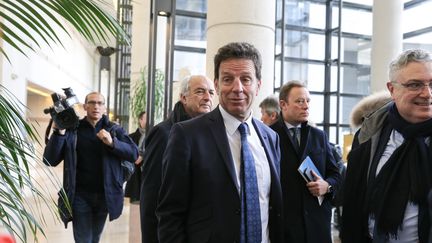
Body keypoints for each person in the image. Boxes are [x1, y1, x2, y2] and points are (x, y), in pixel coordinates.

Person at [157, 42, 284, 243]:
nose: (237, 88)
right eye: (227, 79)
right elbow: (170, 213)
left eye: (246, 79)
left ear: (258, 85)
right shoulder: (187, 135)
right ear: (216, 85)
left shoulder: (271, 138)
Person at [341, 49, 432, 243]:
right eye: (415, 85)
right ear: (392, 90)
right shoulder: (369, 134)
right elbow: (352, 201)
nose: (427, 93)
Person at [43, 92, 139, 243]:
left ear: (105, 108)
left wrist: (112, 143)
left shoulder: (114, 130)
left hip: (105, 196)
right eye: (92, 103)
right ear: (85, 106)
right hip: (79, 196)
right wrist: (59, 130)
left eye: (100, 103)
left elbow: (134, 154)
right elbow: (50, 160)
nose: (96, 106)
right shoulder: (73, 129)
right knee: (84, 240)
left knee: (94, 239)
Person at [139, 74, 215, 243]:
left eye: (211, 92)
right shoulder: (164, 133)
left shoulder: (211, 133)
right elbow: (151, 195)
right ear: (183, 97)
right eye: (200, 92)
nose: (207, 97)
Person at [269, 80, 341, 243]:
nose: (306, 106)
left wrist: (327, 186)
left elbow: (335, 175)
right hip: (283, 227)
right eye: (300, 101)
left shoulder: (319, 136)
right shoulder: (269, 135)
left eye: (308, 101)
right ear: (283, 104)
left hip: (317, 226)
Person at [125, 111, 146, 203]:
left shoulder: (155, 136)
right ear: (140, 120)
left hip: (147, 175)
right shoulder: (130, 137)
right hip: (134, 176)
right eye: (147, 118)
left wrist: (143, 156)